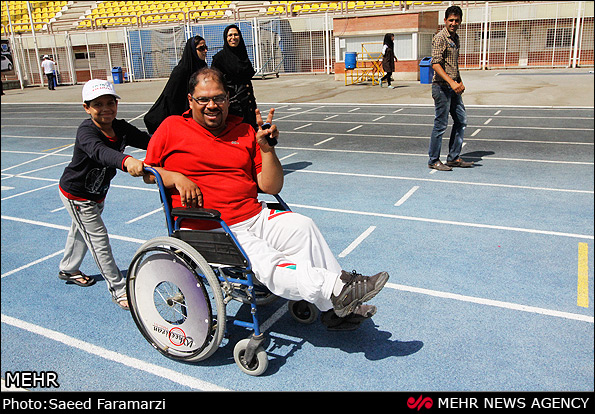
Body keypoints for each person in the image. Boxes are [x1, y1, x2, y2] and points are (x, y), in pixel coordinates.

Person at [143, 68, 389, 327]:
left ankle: (333, 309)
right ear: (191, 100)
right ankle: (337, 287)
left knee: (303, 226)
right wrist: (176, 178)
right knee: (267, 261)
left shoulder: (244, 130)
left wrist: (266, 149)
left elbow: (271, 187)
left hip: (253, 214)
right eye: (203, 99)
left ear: (228, 98)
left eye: (219, 98)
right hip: (210, 227)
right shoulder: (171, 128)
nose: (212, 105)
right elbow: (149, 172)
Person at [58, 79, 151, 310]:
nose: (106, 108)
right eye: (98, 104)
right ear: (87, 108)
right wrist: (126, 160)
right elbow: (99, 152)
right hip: (77, 194)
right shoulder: (86, 131)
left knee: (81, 231)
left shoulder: (120, 128)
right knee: (98, 239)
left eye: (111, 102)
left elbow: (147, 141)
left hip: (97, 193)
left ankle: (68, 268)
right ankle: (119, 290)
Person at [428, 5, 474, 171]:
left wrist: (458, 82)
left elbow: (453, 64)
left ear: (460, 21)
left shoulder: (456, 38)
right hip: (441, 87)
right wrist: (451, 82)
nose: (454, 23)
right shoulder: (440, 38)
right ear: (445, 21)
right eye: (451, 20)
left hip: (453, 88)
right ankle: (433, 160)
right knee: (440, 124)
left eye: (457, 20)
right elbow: (435, 64)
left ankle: (453, 158)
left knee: (461, 121)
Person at [144, 35, 208, 134]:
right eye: (201, 48)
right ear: (192, 50)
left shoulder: (203, 67)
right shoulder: (181, 71)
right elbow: (171, 98)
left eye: (205, 47)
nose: (205, 51)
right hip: (183, 117)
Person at [211, 24, 258, 131]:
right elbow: (215, 82)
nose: (233, 38)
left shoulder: (243, 54)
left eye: (236, 35)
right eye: (230, 35)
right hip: (233, 105)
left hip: (248, 103)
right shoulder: (220, 58)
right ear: (225, 38)